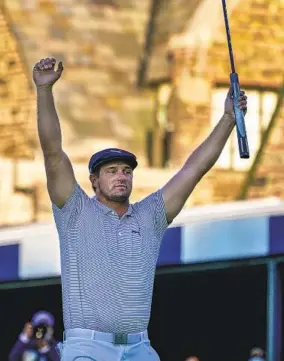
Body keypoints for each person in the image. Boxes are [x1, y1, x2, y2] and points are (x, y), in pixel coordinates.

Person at [32, 57, 248, 361]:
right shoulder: (74, 211)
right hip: (87, 348)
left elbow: (193, 169)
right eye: (111, 171)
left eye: (126, 171)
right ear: (93, 180)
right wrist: (44, 90)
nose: (121, 176)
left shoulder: (151, 216)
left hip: (138, 348)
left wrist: (228, 118)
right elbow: (53, 152)